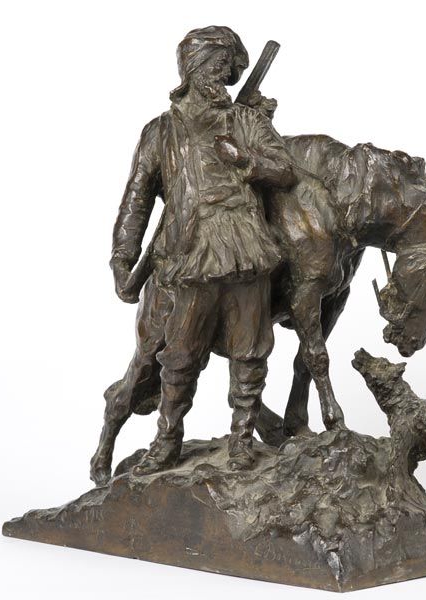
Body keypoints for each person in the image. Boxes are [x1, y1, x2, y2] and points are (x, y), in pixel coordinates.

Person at [95, 26, 296, 480]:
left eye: (226, 68)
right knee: (179, 355)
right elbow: (137, 199)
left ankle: (242, 440)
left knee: (250, 351)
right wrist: (123, 258)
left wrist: (245, 160)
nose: (221, 75)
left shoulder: (245, 121)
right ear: (192, 69)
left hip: (245, 250)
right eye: (215, 66)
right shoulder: (160, 131)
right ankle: (168, 440)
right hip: (189, 256)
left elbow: (284, 169)